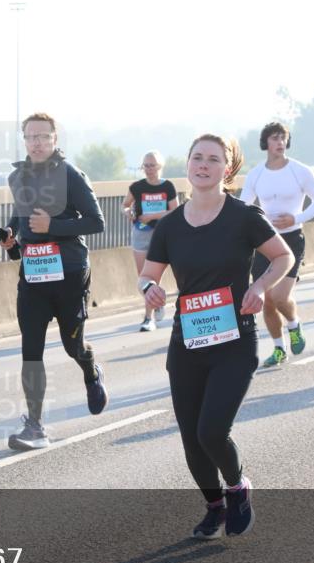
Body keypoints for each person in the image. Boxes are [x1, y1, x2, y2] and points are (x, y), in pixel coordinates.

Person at [140, 134, 293, 539]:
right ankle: (214, 506)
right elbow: (148, 274)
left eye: (212, 159)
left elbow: (283, 256)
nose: (203, 165)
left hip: (235, 341)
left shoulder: (244, 216)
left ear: (227, 170)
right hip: (187, 341)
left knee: (211, 430)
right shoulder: (170, 225)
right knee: (192, 439)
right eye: (196, 158)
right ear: (187, 165)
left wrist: (259, 287)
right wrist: (148, 290)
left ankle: (237, 487)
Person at [0, 112, 108, 450]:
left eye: (44, 137)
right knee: (31, 350)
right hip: (33, 273)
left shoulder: (70, 175)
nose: (37, 143)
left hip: (70, 273)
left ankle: (90, 371)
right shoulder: (17, 177)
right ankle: (35, 426)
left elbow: (96, 222)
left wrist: (54, 228)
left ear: (55, 139)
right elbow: (21, 217)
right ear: (24, 140)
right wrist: (11, 237)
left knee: (72, 346)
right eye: (31, 137)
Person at [239, 122, 314, 366]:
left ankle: (294, 324)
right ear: (265, 142)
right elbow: (244, 205)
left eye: (283, 138)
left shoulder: (300, 171)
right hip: (264, 242)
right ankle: (279, 349)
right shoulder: (256, 173)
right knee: (266, 301)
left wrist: (295, 218)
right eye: (274, 138)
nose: (279, 142)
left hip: (291, 240)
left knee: (279, 296)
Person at [122, 151, 178, 331]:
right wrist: (128, 212)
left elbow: (175, 211)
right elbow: (125, 205)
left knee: (159, 275)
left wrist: (153, 215)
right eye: (145, 165)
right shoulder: (136, 187)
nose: (149, 169)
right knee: (145, 279)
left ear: (160, 166)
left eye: (152, 165)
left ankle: (153, 311)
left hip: (163, 234)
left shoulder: (168, 186)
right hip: (141, 234)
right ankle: (150, 316)